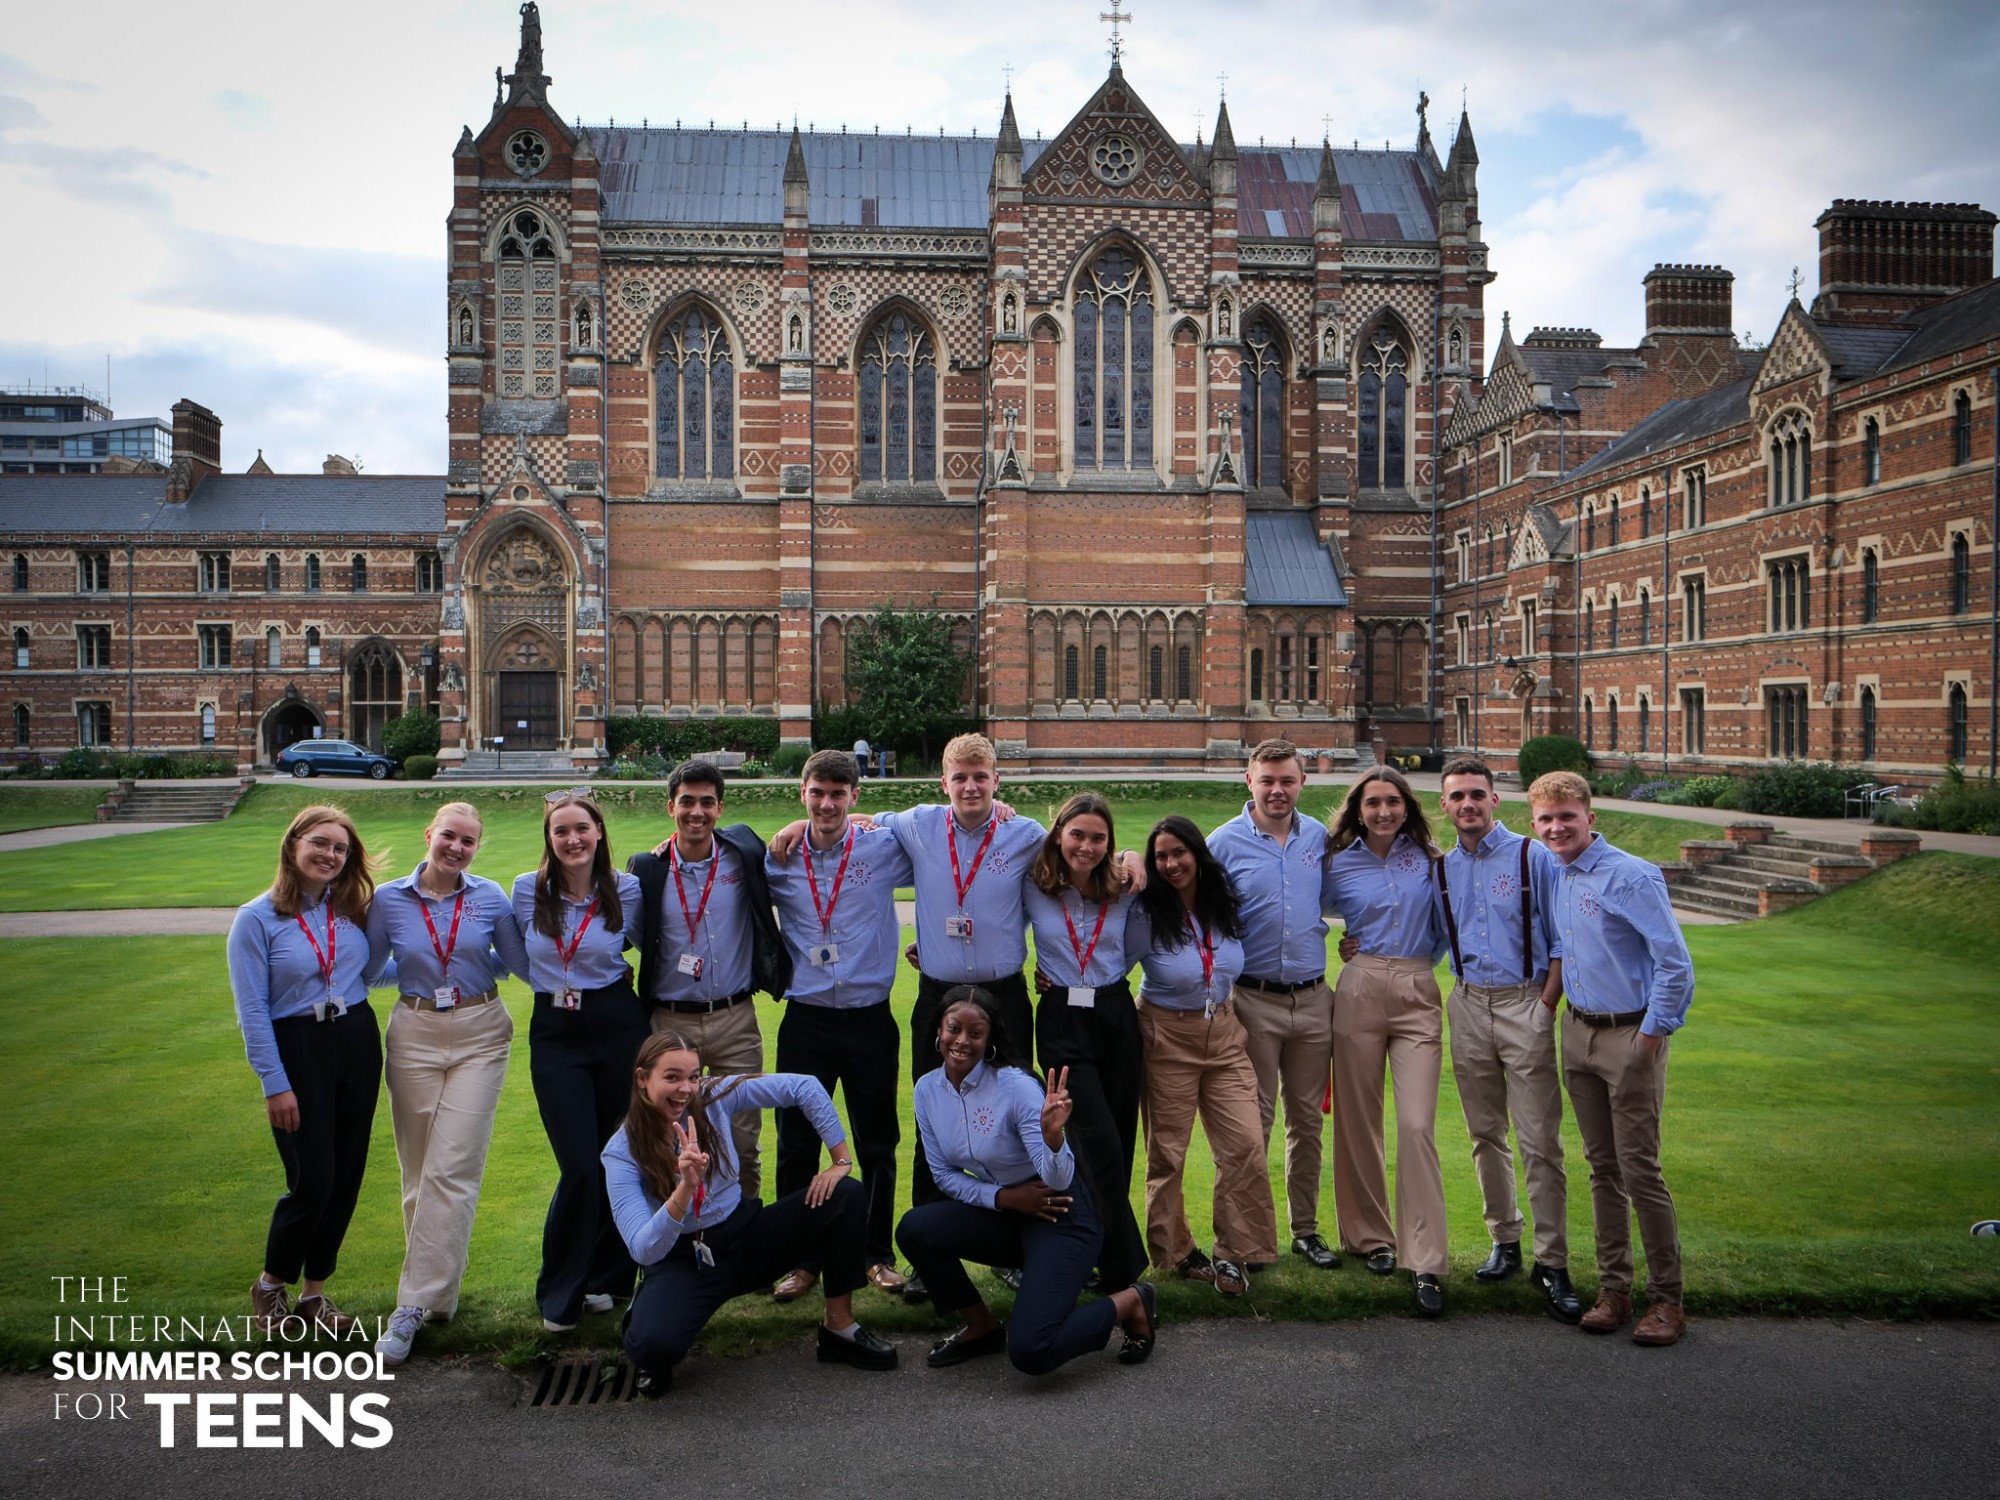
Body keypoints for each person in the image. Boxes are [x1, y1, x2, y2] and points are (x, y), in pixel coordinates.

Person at [771, 732, 1043, 1306]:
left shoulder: (1021, 834)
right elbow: (845, 822)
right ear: (943, 783)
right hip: (886, 1004)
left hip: (985, 999)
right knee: (914, 1127)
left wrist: (1130, 859)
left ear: (997, 781)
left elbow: (1077, 862)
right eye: (960, 777)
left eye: (981, 777)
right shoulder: (910, 826)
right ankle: (843, 1256)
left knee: (1007, 1122)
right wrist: (803, 824)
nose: (970, 787)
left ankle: (983, 1254)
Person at [606, 1030, 897, 1395]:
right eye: (672, 1077)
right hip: (684, 1260)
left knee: (845, 1194)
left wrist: (840, 1159)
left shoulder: (713, 1093)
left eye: (693, 1076)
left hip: (745, 1234)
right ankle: (651, 1312)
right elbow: (643, 1248)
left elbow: (804, 1086)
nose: (685, 1089)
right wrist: (685, 1187)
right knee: (650, 1346)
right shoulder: (621, 1152)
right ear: (642, 1078)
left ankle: (839, 1327)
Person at [896, 986, 1159, 1373]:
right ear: (939, 1029)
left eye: (975, 1033)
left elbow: (1060, 1178)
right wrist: (1003, 1198)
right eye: (954, 1028)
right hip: (1010, 1211)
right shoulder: (927, 1091)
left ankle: (1131, 1302)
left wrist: (1053, 1139)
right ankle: (981, 1327)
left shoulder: (1015, 1086)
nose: (962, 1041)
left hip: (1060, 1215)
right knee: (915, 1229)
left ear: (989, 1039)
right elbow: (942, 1174)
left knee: (1032, 1350)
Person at [1528, 770, 1695, 1346]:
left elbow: (1674, 963)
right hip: (1578, 1031)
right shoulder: (1558, 872)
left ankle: (1667, 1300)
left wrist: (1650, 1037)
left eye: (1566, 817)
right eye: (1546, 819)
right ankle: (1614, 1290)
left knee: (1640, 1169)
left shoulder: (1630, 875)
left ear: (1589, 817)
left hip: (1631, 1032)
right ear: (1535, 824)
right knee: (1602, 1168)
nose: (1556, 827)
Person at [365, 800, 530, 1367]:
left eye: (468, 841)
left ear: (477, 847)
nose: (457, 848)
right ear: (429, 834)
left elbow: (519, 964)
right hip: (414, 1033)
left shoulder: (491, 897)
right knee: (418, 1172)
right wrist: (418, 973)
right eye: (449, 837)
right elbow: (371, 970)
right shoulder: (388, 899)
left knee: (452, 1165)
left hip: (481, 1032)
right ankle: (439, 1297)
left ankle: (411, 1304)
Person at [763, 750, 914, 1302]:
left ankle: (875, 1255)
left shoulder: (883, 847)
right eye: (817, 793)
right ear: (802, 793)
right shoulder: (777, 858)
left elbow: (947, 837)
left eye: (837, 794)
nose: (827, 804)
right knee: (795, 1142)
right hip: (805, 1021)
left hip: (869, 1018)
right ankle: (800, 1259)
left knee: (877, 1141)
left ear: (855, 796)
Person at [1434, 756, 1580, 1322]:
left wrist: (1545, 1005)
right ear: (1444, 806)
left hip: (1525, 1000)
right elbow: (1427, 936)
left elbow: (1563, 938)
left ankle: (1553, 1261)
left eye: (1477, 794)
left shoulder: (1532, 856)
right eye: (1457, 796)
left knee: (1540, 1140)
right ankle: (1506, 1240)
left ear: (1495, 800)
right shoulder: (1443, 868)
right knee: (1485, 1134)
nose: (1468, 804)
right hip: (1468, 1001)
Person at [230, 805, 380, 1339]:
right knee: (312, 1178)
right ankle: (270, 1284)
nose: (329, 855)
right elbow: (252, 1011)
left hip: (357, 1039)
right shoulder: (256, 919)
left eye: (340, 848)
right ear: (293, 844)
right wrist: (275, 1084)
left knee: (346, 1174)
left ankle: (315, 1294)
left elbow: (369, 970)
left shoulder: (349, 908)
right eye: (320, 843)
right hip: (298, 1045)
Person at [511, 789, 650, 1334]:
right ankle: (560, 1289)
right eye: (561, 831)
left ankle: (608, 1279)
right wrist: (558, 985)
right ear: (549, 839)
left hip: (617, 1024)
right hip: (556, 1031)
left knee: (620, 1156)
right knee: (578, 1165)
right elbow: (519, 956)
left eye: (582, 829)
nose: (573, 839)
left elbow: (647, 944)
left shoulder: (626, 888)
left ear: (599, 833)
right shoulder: (527, 889)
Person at [1125, 815, 1277, 1296]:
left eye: (1179, 852)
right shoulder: (1146, 912)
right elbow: (1110, 963)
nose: (1171, 863)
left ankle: (1236, 1250)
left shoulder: (1221, 902)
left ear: (1197, 853)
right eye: (1160, 856)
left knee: (1245, 1145)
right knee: (1168, 1153)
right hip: (1166, 1034)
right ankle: (1176, 1251)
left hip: (1225, 1033)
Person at [629, 758, 791, 1203]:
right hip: (670, 1025)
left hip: (735, 1021)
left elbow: (805, 839)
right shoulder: (647, 868)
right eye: (686, 802)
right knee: (669, 1143)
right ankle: (675, 1235)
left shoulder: (743, 851)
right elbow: (623, 935)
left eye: (706, 802)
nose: (696, 812)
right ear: (670, 807)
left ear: (720, 808)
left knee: (743, 1143)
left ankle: (745, 1230)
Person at [1207, 738, 1341, 1272]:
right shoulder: (1223, 843)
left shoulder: (1320, 839)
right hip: (1253, 1000)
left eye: (1287, 780)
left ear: (1302, 782)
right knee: (1251, 1123)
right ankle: (1245, 1238)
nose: (1277, 790)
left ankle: (1305, 1230)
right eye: (1267, 781)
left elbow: (1344, 898)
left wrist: (1357, 940)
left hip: (1313, 1000)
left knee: (1306, 1123)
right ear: (1249, 781)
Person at [1321, 767, 1451, 1317]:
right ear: (1358, 809)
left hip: (1418, 987)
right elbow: (1302, 909)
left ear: (1407, 807)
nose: (1383, 812)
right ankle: (1370, 1236)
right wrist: (1347, 946)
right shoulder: (1336, 862)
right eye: (1372, 803)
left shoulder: (1432, 860)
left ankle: (1426, 1260)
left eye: (1393, 802)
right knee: (1358, 1119)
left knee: (1417, 1124)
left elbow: (1447, 927)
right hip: (1360, 986)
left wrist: (1422, 962)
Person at [1022, 793, 1147, 1293]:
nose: (1086, 847)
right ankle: (1123, 1269)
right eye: (1077, 835)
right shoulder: (1033, 885)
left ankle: (1095, 1250)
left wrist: (1134, 855)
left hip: (1115, 1013)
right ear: (1059, 835)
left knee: (1119, 1138)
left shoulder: (1125, 886)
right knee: (1096, 1142)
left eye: (1099, 838)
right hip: (1061, 1019)